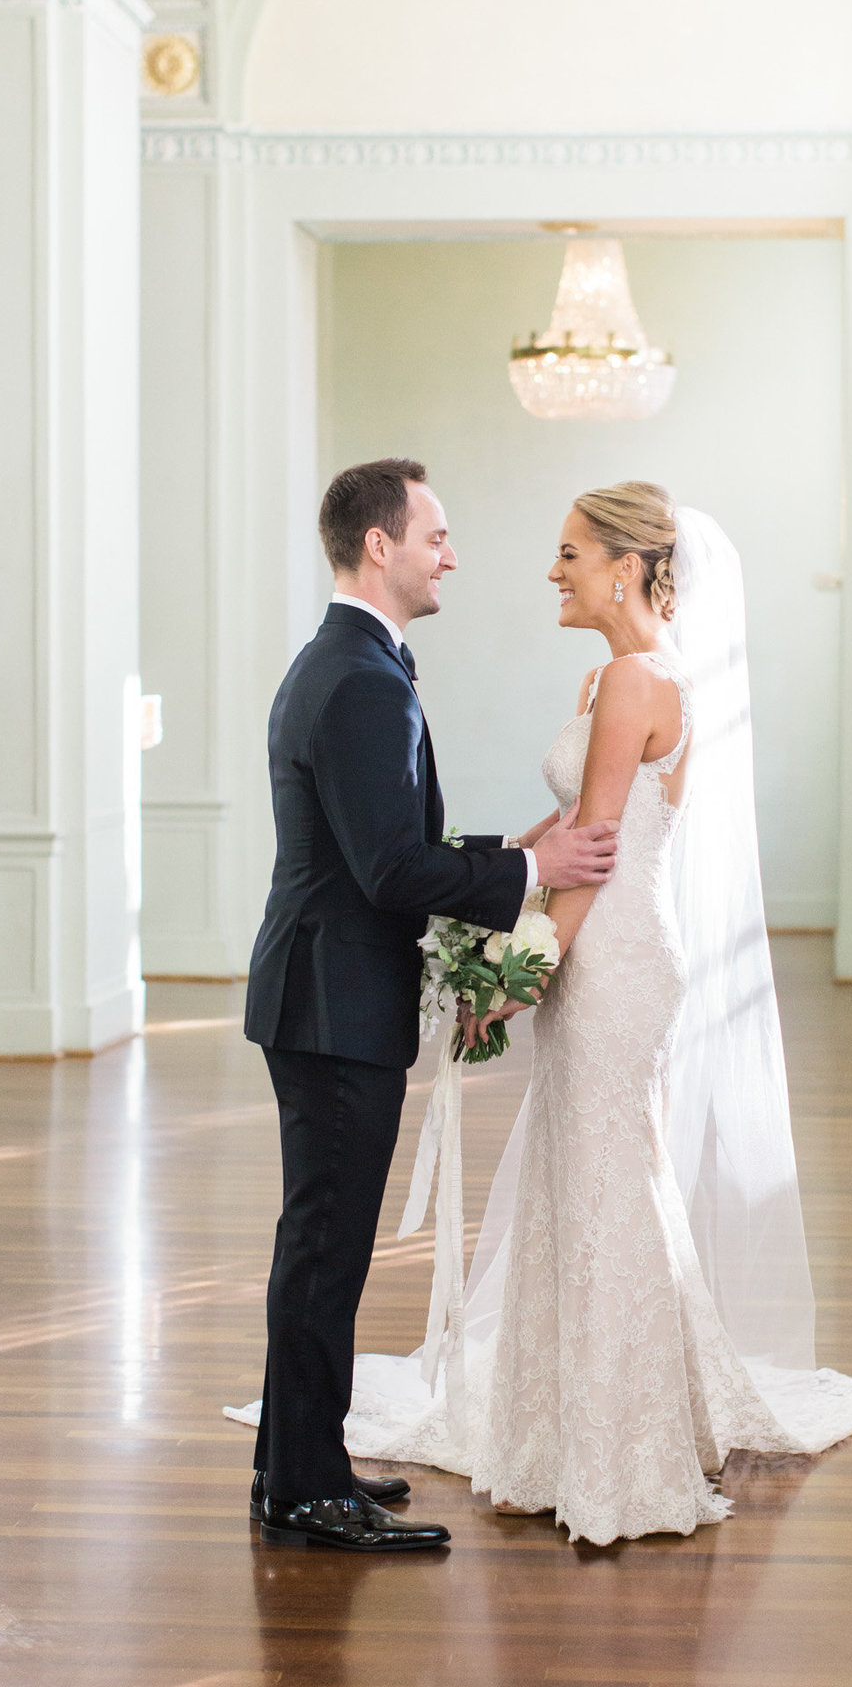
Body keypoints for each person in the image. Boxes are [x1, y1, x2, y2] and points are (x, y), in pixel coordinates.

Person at [335, 480, 852, 1547]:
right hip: (602, 947)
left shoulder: (641, 680)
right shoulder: (610, 680)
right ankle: (586, 1429)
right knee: (593, 1183)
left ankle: (618, 1452)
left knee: (608, 1190)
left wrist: (515, 975)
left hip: (614, 955)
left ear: (629, 568)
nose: (554, 571)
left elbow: (591, 856)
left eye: (570, 553)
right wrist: (487, 884)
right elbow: (560, 827)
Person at [240, 458, 619, 1553]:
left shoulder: (355, 662)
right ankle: (305, 1488)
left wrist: (511, 848)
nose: (451, 553)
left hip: (324, 995)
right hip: (329, 1002)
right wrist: (530, 881)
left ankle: (294, 1463)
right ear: (380, 546)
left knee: (319, 1243)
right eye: (436, 535)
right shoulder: (359, 677)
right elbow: (389, 874)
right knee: (326, 1247)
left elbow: (388, 847)